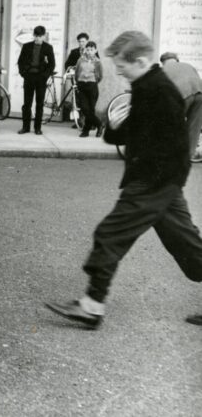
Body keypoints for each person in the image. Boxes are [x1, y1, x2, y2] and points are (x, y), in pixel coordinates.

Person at [45, 30, 202, 329]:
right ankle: (91, 306)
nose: (118, 71)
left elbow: (180, 145)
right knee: (189, 248)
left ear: (141, 61)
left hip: (151, 183)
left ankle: (91, 307)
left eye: (122, 66)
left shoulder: (160, 90)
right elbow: (134, 128)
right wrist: (113, 129)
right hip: (162, 185)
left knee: (110, 235)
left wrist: (157, 187)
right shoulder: (145, 86)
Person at [160, 52, 202, 161]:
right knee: (194, 126)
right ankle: (188, 157)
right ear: (176, 59)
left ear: (163, 62)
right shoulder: (188, 66)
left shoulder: (163, 70)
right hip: (199, 93)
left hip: (182, 95)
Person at [16, 25, 55, 135]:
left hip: (40, 78)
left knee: (39, 104)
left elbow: (52, 64)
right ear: (33, 35)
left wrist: (45, 76)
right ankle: (25, 127)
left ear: (44, 36)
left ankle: (37, 128)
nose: (38, 38)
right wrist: (24, 74)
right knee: (27, 104)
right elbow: (20, 62)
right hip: (29, 77)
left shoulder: (48, 47)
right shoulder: (27, 46)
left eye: (40, 36)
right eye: (36, 36)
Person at [74, 40, 104, 138]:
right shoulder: (80, 60)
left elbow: (100, 76)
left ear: (95, 50)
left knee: (91, 110)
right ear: (85, 50)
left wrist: (93, 81)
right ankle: (99, 124)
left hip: (92, 87)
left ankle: (86, 131)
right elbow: (77, 72)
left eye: (91, 49)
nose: (89, 51)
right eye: (87, 49)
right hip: (82, 86)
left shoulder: (98, 62)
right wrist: (79, 82)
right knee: (84, 109)